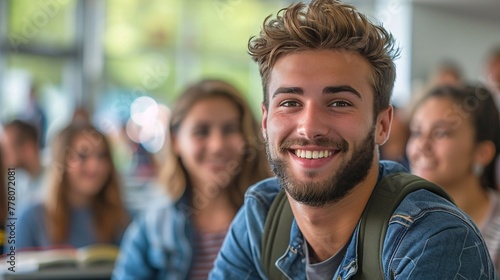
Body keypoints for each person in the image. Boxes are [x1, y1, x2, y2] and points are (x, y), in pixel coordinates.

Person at [210, 0, 496, 279]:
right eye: (289, 102)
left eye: (339, 103)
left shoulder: (433, 238)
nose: (309, 129)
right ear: (264, 121)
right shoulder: (261, 216)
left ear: (382, 124)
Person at [112, 79, 271, 279]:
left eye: (230, 129)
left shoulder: (272, 219)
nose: (217, 146)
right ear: (176, 140)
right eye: (201, 132)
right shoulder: (152, 227)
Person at [406, 84, 500, 271]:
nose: (422, 145)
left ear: (482, 152)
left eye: (440, 133)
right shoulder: (399, 221)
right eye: (417, 132)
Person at [14, 123, 129, 250]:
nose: (94, 166)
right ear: (61, 161)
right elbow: (13, 269)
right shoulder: (28, 218)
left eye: (102, 156)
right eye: (82, 156)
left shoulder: (122, 218)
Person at [0, 119, 47, 211]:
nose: (3, 155)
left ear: (28, 149)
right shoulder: (12, 182)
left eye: (8, 147)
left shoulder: (55, 181)